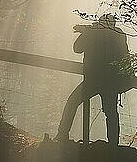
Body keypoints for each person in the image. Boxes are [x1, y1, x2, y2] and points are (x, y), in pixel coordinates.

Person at [55, 14, 132, 146]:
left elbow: (77, 49)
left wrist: (86, 32)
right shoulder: (119, 35)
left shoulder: (91, 33)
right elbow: (124, 57)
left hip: (92, 80)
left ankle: (62, 136)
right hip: (111, 81)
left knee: (72, 103)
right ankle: (113, 145)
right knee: (111, 113)